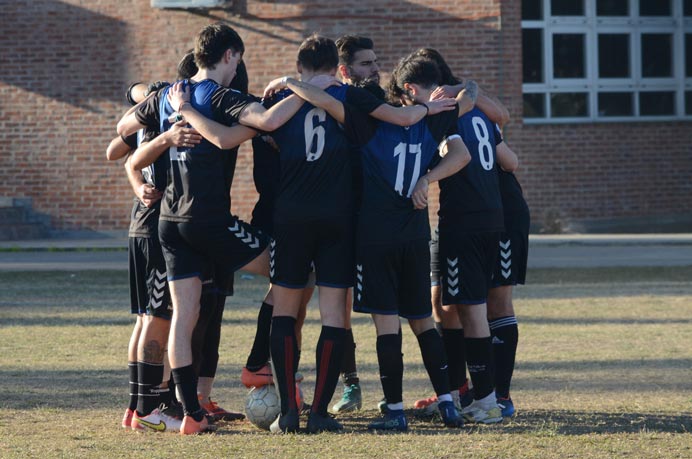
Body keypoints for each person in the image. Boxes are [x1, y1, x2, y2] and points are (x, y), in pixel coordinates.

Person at [119, 23, 313, 435]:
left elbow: (124, 131)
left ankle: (190, 414)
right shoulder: (219, 95)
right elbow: (265, 118)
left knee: (184, 316)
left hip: (170, 222)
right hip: (209, 221)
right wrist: (305, 89)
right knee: (295, 271)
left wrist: (155, 112)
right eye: (238, 59)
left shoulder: (171, 93)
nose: (237, 66)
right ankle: (261, 362)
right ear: (229, 56)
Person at [263, 55, 474, 431]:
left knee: (386, 325)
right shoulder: (433, 118)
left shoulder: (365, 128)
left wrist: (289, 81)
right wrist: (428, 178)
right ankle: (448, 404)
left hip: (376, 237)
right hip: (415, 235)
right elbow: (467, 122)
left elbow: (328, 103)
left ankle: (394, 410)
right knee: (423, 322)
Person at [403, 50, 518, 424]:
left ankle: (485, 400)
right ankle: (459, 394)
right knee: (456, 305)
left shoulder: (449, 113)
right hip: (489, 217)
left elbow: (461, 156)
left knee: (473, 310)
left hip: (464, 221)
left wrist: (426, 178)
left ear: (414, 89)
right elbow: (506, 157)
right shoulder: (478, 111)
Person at [106, 80, 201, 433]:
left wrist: (139, 100)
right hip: (154, 224)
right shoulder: (168, 126)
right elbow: (117, 150)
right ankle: (150, 407)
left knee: (146, 319)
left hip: (138, 224)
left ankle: (135, 405)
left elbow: (117, 150)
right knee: (158, 318)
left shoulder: (146, 124)